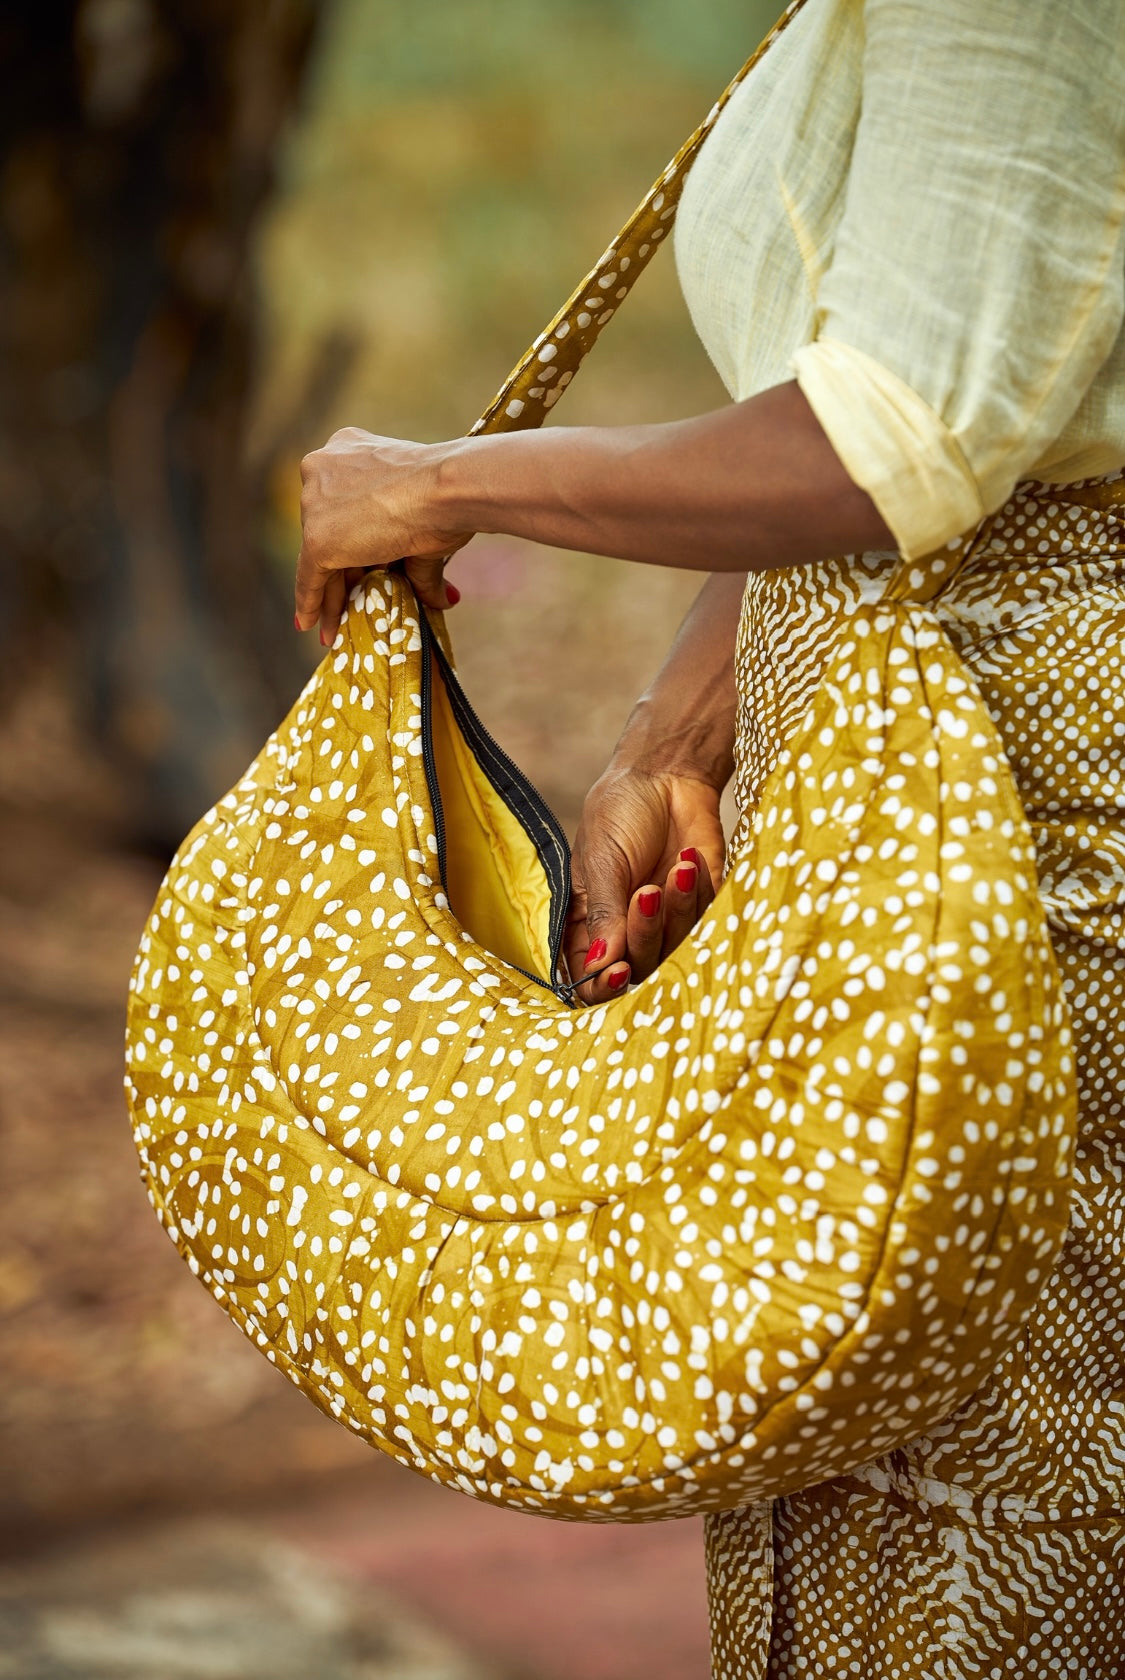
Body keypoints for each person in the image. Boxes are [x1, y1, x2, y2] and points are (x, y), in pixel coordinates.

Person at [292, 0, 1125, 1672]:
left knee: (994, 1500)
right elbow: (911, 391)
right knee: (864, 1439)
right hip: (923, 783)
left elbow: (894, 441)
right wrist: (681, 728)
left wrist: (442, 481)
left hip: (1030, 803)